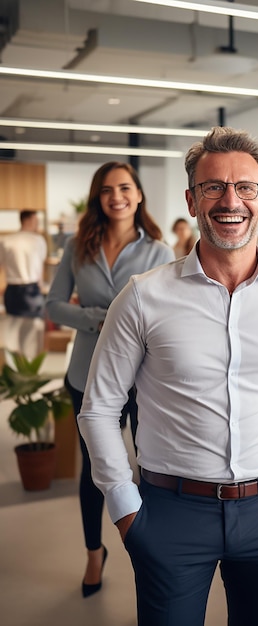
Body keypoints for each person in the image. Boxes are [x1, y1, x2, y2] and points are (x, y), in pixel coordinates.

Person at [77, 127, 258, 626]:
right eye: (213, 186)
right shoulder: (141, 296)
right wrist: (125, 508)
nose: (229, 200)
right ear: (192, 200)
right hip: (170, 514)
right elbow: (99, 408)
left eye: (244, 187)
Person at [45, 162, 174, 599]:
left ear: (139, 195)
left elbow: (168, 314)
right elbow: (53, 304)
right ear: (97, 198)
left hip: (145, 378)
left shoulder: (158, 250)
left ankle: (153, 547)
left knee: (149, 465)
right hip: (88, 373)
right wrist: (98, 319)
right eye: (106, 190)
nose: (115, 196)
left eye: (124, 188)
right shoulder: (76, 245)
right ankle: (93, 551)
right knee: (94, 470)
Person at [0, 209, 48, 358]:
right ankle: (29, 370)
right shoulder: (38, 240)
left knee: (12, 332)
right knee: (32, 334)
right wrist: (42, 289)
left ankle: (13, 371)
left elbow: (2, 267)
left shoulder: (5, 240)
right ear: (30, 220)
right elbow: (40, 270)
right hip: (31, 289)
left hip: (12, 289)